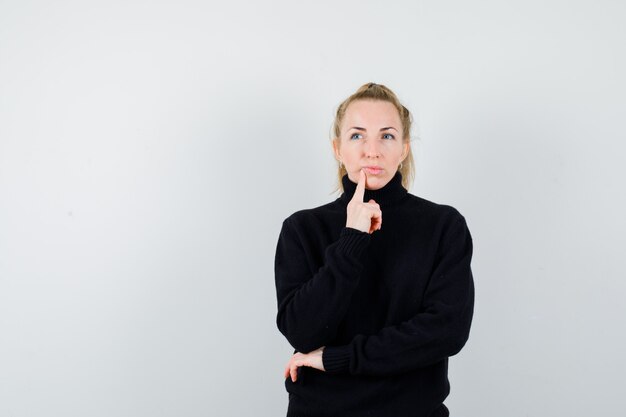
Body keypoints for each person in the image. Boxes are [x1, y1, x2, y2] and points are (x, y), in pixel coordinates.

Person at [274, 82, 475, 417]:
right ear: (338, 148)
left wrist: (337, 358)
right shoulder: (302, 229)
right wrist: (352, 237)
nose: (372, 150)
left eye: (387, 136)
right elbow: (304, 330)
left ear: (404, 148)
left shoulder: (443, 226)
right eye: (357, 136)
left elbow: (447, 331)